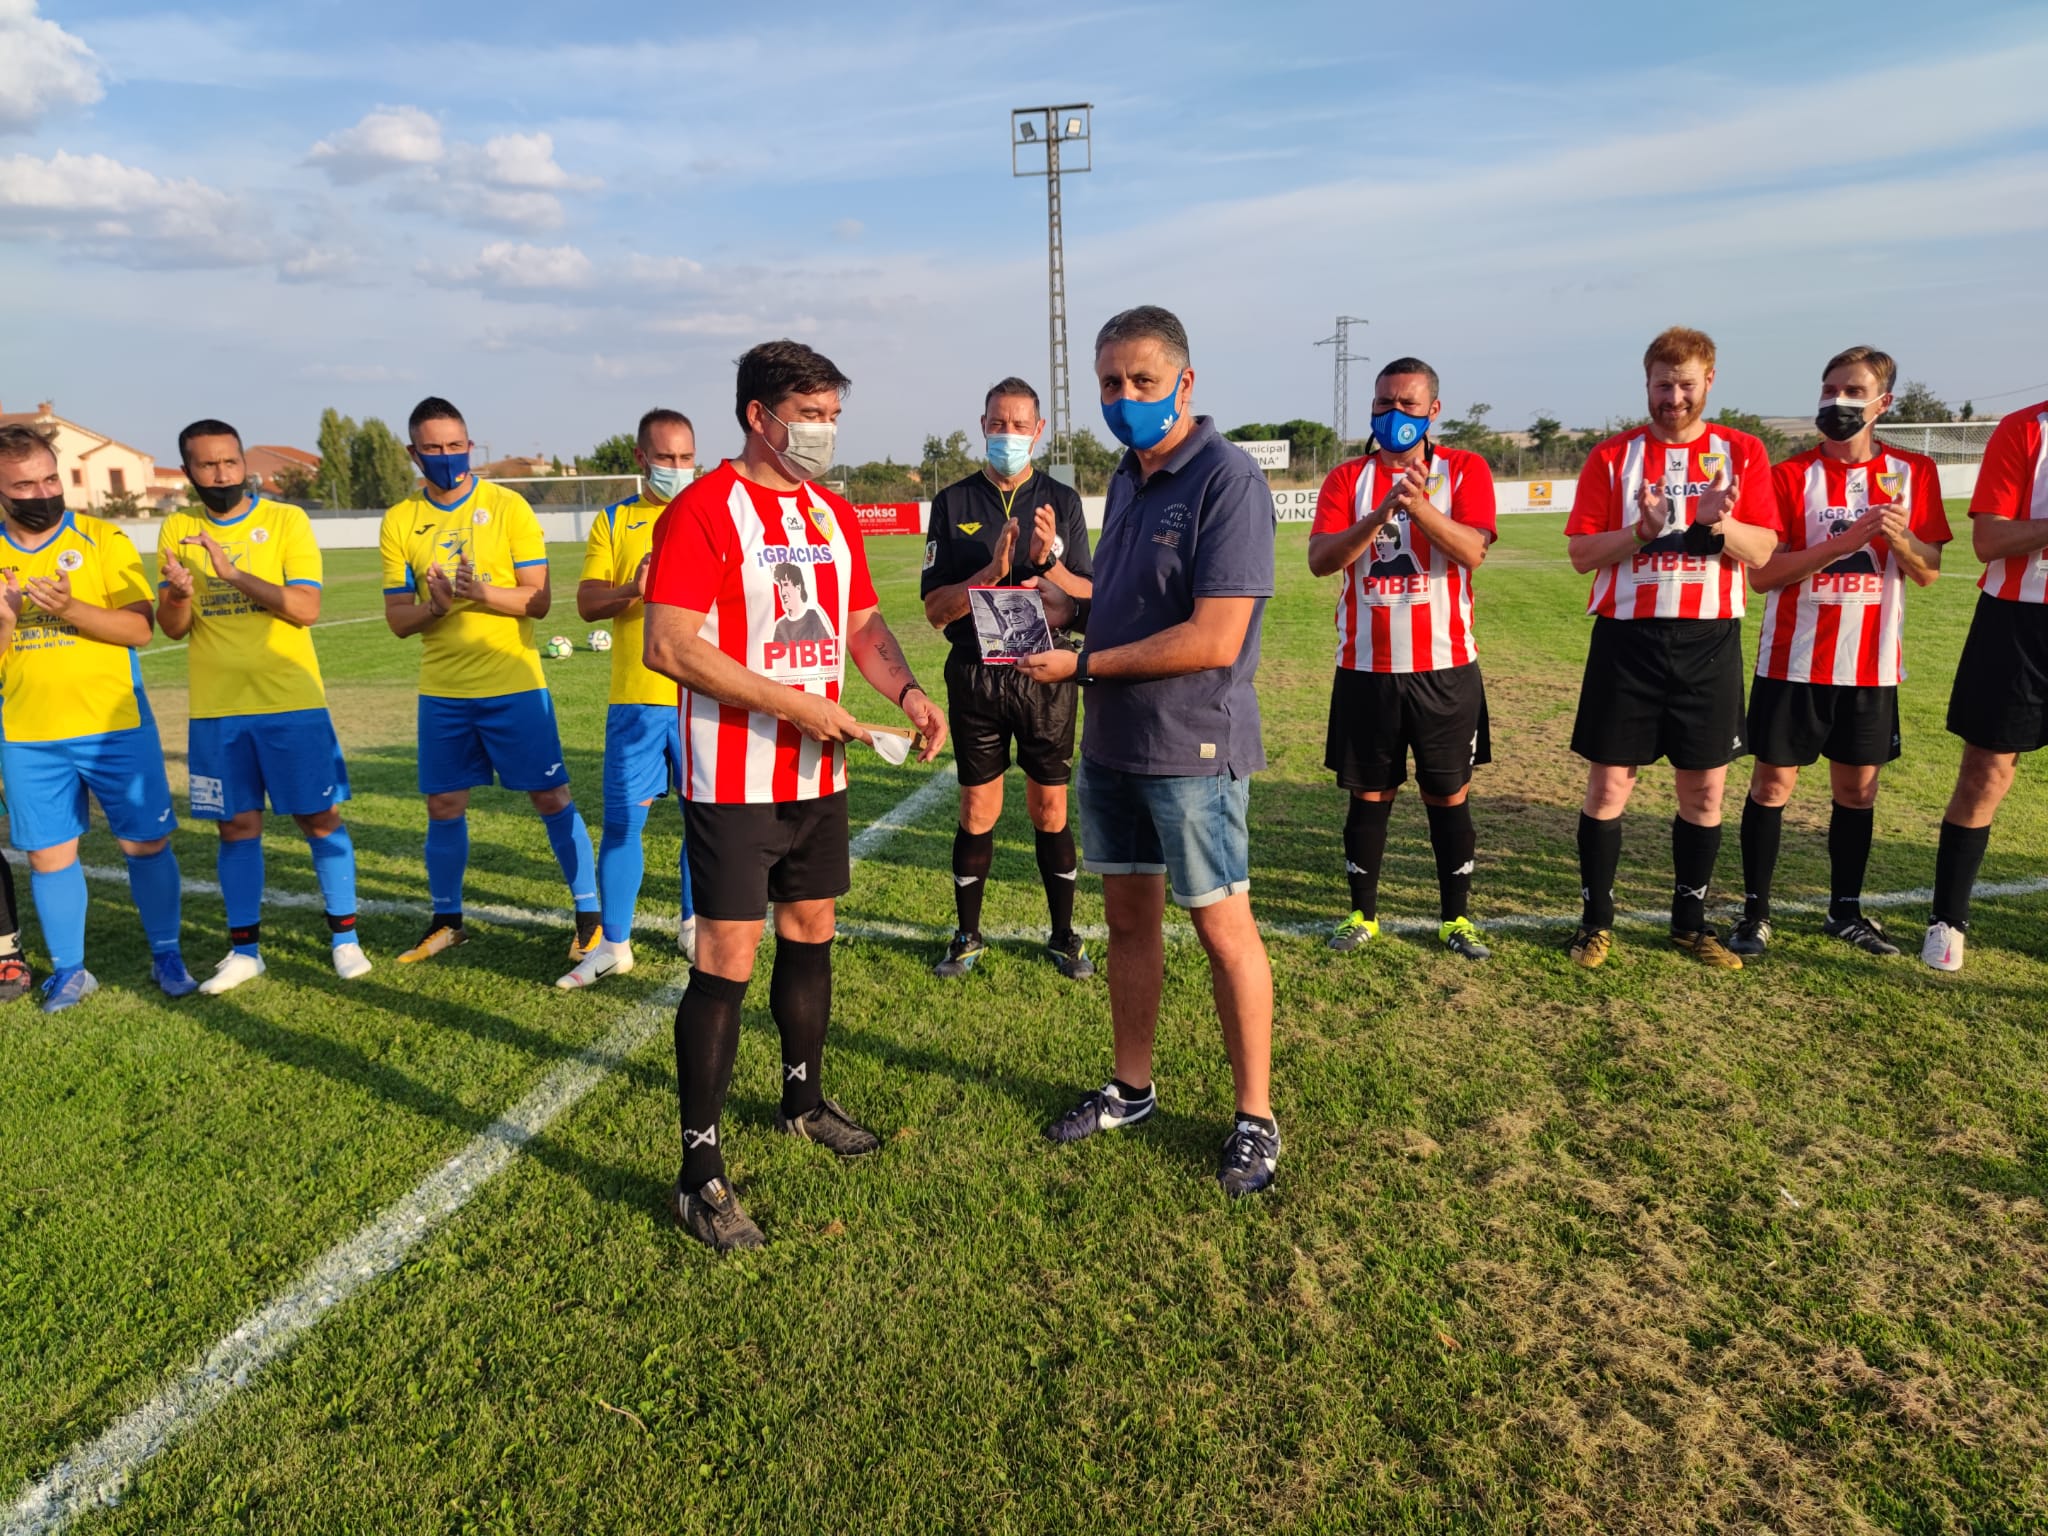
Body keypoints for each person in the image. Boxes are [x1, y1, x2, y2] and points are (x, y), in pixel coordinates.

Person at [643, 339, 948, 1253]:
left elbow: (858, 619)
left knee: (812, 934)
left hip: (820, 773)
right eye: (809, 416)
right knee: (727, 960)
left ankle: (803, 1101)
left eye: (831, 417)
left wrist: (907, 692)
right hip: (733, 775)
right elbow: (671, 645)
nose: (822, 433)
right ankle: (700, 1174)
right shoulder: (701, 510)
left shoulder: (830, 512)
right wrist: (797, 708)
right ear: (758, 417)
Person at [1016, 305, 1281, 1197]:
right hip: (1116, 741)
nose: (1123, 398)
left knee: (1222, 929)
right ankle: (1132, 1090)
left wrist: (1081, 659)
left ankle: (1255, 1117)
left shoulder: (1228, 479)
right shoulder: (1127, 479)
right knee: (1128, 921)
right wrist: (1061, 598)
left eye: (1141, 381)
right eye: (1108, 384)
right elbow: (1124, 601)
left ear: (1185, 383)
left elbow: (1212, 637)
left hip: (1192, 741)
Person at [1562, 327, 1782, 970]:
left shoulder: (1742, 452)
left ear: (1709, 381)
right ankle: (1594, 923)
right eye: (1663, 385)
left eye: (1687, 385)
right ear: (1647, 383)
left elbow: (1764, 552)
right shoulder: (1611, 457)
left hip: (1709, 642)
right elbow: (1580, 555)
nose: (1674, 399)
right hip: (1627, 642)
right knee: (1608, 790)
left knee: (1705, 794)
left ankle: (1690, 924)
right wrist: (1642, 530)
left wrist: (1719, 523)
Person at [1731, 349, 1949, 958]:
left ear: (1884, 404)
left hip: (1871, 665)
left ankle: (1845, 912)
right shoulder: (1785, 476)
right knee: (1772, 787)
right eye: (1829, 389)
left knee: (1858, 793)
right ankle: (1755, 914)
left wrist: (1898, 539)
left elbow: (1929, 571)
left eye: (1853, 390)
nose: (1836, 402)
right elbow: (1763, 575)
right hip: (1792, 662)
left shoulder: (1913, 473)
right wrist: (1848, 541)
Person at [378, 397, 600, 965]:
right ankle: (447, 921)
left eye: (457, 445)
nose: (448, 456)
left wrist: (479, 593)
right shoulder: (401, 521)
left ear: (469, 445)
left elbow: (540, 600)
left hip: (514, 686)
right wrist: (437, 606)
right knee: (444, 806)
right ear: (413, 453)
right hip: (444, 693)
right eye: (434, 448)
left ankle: (589, 917)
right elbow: (399, 620)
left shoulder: (508, 507)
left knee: (551, 797)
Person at [158, 418, 371, 992]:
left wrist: (231, 573)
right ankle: (245, 951)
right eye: (207, 465)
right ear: (188, 472)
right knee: (236, 826)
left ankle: (345, 938)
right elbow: (173, 628)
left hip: (291, 702)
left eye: (229, 462)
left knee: (319, 817)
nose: (221, 473)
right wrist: (180, 593)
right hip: (217, 710)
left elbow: (305, 609)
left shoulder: (285, 520)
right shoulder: (176, 527)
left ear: (243, 463)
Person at [0, 423, 197, 1011]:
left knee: (146, 844)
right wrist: (7, 625)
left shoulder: (102, 539)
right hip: (29, 735)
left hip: (116, 728)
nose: (42, 493)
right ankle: (70, 971)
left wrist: (71, 608)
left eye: (50, 478)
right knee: (48, 855)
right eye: (25, 485)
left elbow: (140, 627)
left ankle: (167, 954)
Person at [1307, 356, 1497, 960]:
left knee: (1449, 796)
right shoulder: (1346, 480)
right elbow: (1321, 560)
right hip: (1367, 670)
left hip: (1445, 668)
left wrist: (1419, 507)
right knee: (1369, 795)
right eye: (1384, 403)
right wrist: (1382, 510)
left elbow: (1473, 551)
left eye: (1408, 404)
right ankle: (1362, 916)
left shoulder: (1465, 470)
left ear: (1433, 410)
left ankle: (1456, 921)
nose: (1394, 415)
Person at [919, 376, 1094, 980]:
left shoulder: (1061, 501)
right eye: (999, 423)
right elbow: (934, 611)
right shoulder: (953, 503)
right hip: (975, 674)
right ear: (983, 425)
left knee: (1050, 809)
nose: (1009, 434)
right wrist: (990, 572)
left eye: (1021, 425)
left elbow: (1090, 602)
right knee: (976, 809)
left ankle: (1064, 935)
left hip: (1045, 674)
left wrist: (1051, 564)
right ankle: (967, 935)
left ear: (1039, 431)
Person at [559, 408, 699, 989]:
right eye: (665, 458)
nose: (677, 468)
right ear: (641, 459)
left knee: (704, 821)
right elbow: (587, 603)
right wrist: (633, 591)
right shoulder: (614, 521)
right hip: (637, 700)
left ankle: (696, 924)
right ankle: (614, 944)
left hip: (702, 697)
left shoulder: (712, 514)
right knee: (623, 825)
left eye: (686, 457)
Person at [1922, 396, 2048, 971]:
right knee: (1986, 774)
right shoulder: (2024, 429)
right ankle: (1948, 920)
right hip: (2018, 621)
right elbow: (1989, 541)